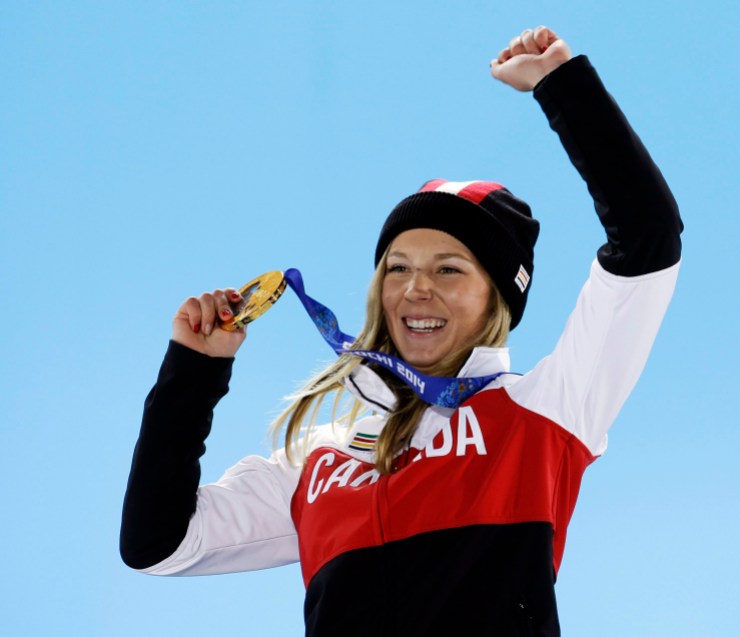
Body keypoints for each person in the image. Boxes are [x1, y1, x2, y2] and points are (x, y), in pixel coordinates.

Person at [121, 25, 683, 637]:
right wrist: (193, 374)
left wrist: (561, 84)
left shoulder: (545, 410)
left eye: (449, 269)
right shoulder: (323, 457)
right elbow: (156, 544)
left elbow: (648, 236)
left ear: (498, 295)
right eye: (398, 268)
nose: (417, 288)